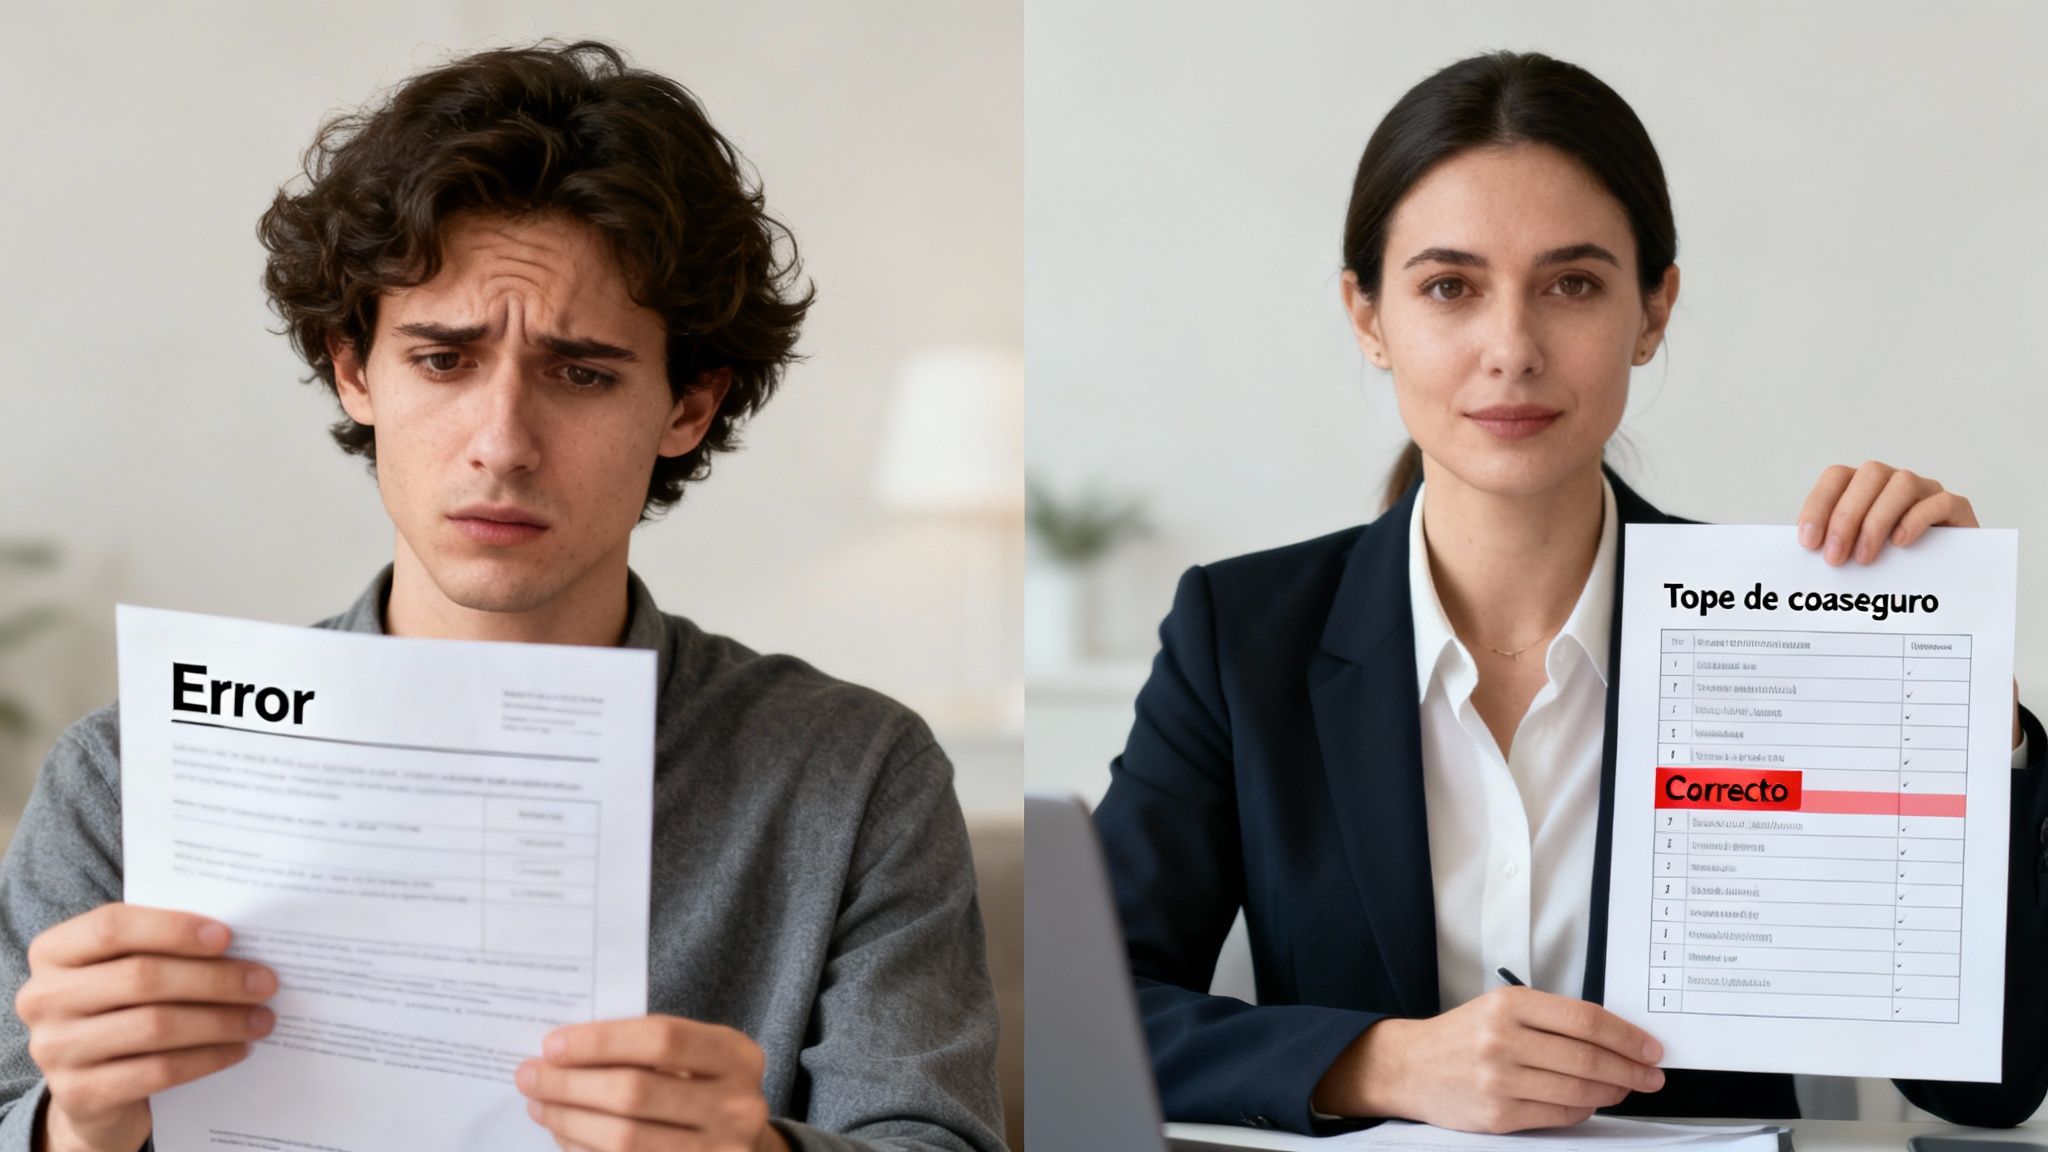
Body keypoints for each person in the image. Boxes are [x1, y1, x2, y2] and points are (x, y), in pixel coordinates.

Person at [0, 40, 1005, 1152]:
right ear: (353, 369)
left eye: (582, 373)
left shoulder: (851, 773)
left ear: (688, 406)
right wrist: (76, 1127)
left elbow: (934, 1139)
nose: (503, 445)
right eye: (441, 360)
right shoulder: (132, 772)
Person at [1092, 50, 2048, 1137]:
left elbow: (1985, 1088)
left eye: (1572, 285)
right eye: (1448, 286)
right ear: (1366, 316)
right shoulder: (1239, 633)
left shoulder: (1797, 633)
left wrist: (1957, 708)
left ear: (1652, 311)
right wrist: (1379, 1063)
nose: (1511, 349)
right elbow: (1099, 1015)